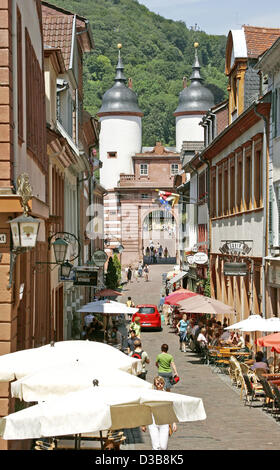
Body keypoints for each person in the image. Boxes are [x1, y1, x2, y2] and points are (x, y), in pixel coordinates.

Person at [141, 376, 177, 450]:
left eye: (161, 383)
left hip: (164, 421)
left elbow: (170, 408)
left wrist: (174, 422)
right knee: (156, 446)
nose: (160, 385)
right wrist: (143, 424)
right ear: (155, 384)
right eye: (158, 383)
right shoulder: (151, 395)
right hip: (153, 422)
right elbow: (147, 408)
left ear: (163, 384)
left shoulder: (167, 395)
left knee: (163, 447)